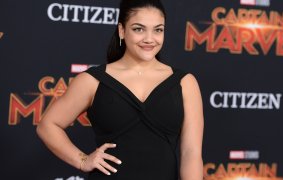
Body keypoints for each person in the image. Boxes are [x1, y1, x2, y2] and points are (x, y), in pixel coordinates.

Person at [36, 0, 204, 179]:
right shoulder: (92, 81)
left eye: (158, 30)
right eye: (139, 29)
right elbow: (48, 125)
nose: (149, 39)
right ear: (122, 30)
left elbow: (191, 154)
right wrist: (82, 160)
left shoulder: (185, 83)